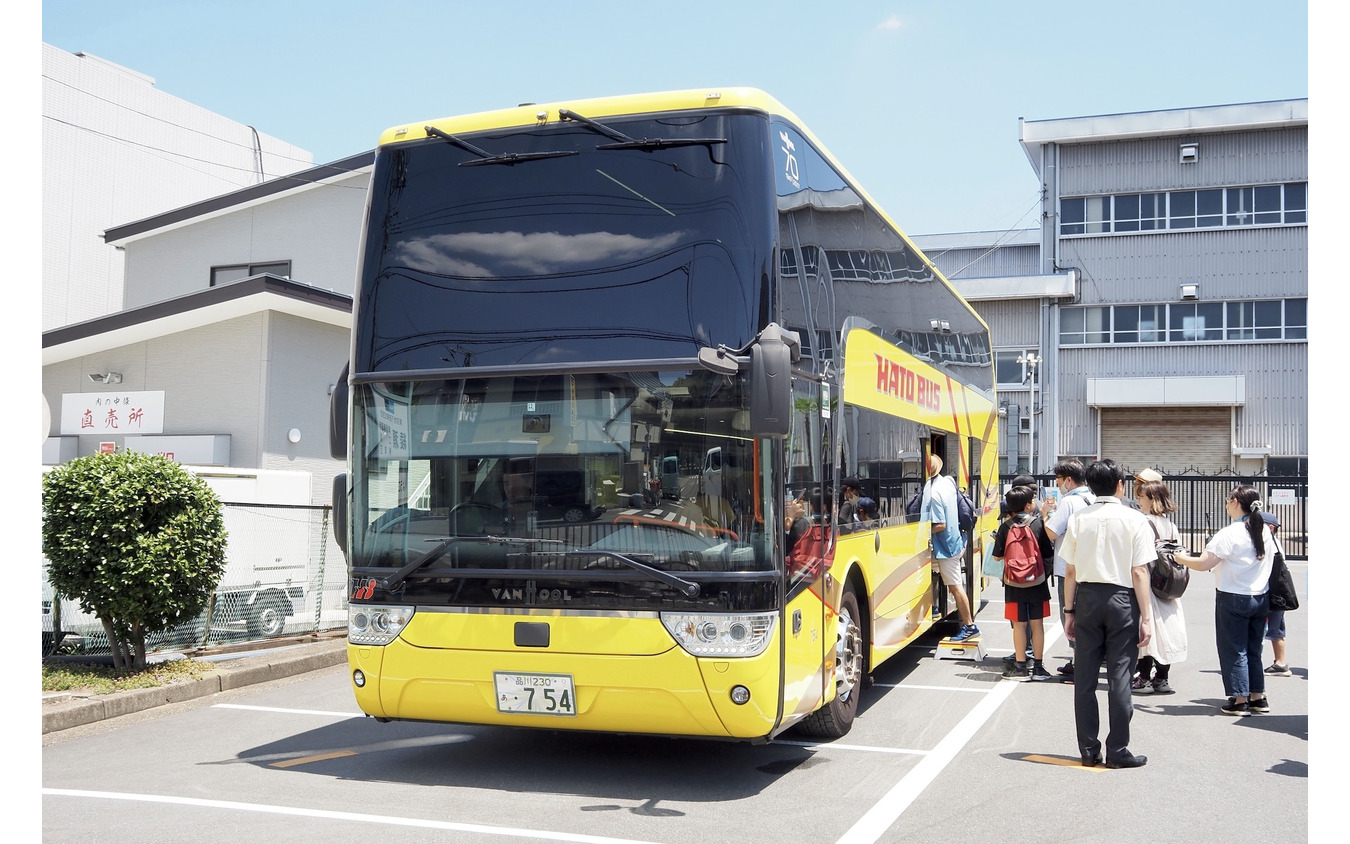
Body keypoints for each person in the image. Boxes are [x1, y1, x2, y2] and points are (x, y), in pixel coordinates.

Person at [1060, 458, 1155, 769]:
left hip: (1086, 597)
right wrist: (1146, 616)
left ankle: (1088, 749)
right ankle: (1118, 750)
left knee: (1085, 677)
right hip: (1122, 599)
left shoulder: (1079, 518)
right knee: (1120, 676)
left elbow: (1070, 570)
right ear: (1120, 485)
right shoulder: (1134, 519)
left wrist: (1069, 610)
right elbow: (1139, 571)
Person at [1174, 486, 1276, 716]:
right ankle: (1257, 698)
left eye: (1228, 500)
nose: (1226, 504)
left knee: (1234, 649)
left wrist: (1180, 557)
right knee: (1253, 649)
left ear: (1236, 502)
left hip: (1233, 597)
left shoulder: (1230, 533)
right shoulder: (1264, 531)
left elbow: (1203, 564)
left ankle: (1239, 700)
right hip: (1260, 596)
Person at [1040, 458, 1096, 681]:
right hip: (1091, 567)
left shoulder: (1069, 502)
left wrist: (1046, 513)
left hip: (1068, 569)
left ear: (1069, 480)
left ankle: (1080, 665)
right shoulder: (1093, 498)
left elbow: (1052, 532)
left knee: (1070, 616)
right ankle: (1081, 661)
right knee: (1088, 618)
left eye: (1059, 480)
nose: (1058, 484)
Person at [994, 485, 1056, 680]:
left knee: (1019, 625)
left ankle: (1020, 667)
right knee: (1037, 624)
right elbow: (1048, 554)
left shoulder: (1005, 527)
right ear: (1029, 505)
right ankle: (1038, 667)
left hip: (1014, 584)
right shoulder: (1038, 525)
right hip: (1037, 582)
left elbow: (997, 557)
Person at [1131, 478, 1186, 695]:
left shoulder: (1144, 523)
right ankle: (1162, 678)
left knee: (1148, 631)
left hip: (1150, 583)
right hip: (1169, 585)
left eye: (1141, 497)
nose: (1138, 501)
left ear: (1152, 499)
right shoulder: (1171, 525)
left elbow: (1140, 559)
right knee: (1168, 631)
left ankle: (1143, 678)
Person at [921, 453, 977, 641]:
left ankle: (969, 626)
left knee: (955, 587)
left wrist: (922, 531)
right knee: (928, 570)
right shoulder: (947, 482)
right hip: (955, 540)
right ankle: (934, 607)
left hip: (947, 547)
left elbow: (941, 525)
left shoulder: (933, 492)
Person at [1260, 512, 1292, 677]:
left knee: (1260, 627)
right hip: (1279, 593)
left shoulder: (1269, 544)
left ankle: (1254, 663)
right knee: (1276, 628)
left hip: (1271, 592)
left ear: (1270, 528)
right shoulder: (1275, 543)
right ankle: (1280, 663)